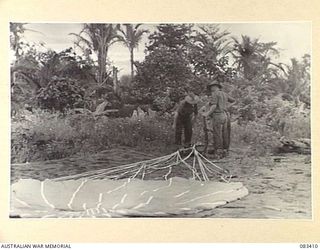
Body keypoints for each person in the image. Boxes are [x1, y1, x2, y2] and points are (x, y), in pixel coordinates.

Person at [203, 81, 235, 157]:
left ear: (215, 87)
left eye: (212, 87)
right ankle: (225, 150)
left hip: (218, 115)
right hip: (225, 115)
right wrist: (227, 107)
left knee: (217, 133)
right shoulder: (224, 94)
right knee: (225, 133)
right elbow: (234, 101)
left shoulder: (215, 94)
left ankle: (219, 152)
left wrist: (207, 114)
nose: (211, 89)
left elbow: (214, 106)